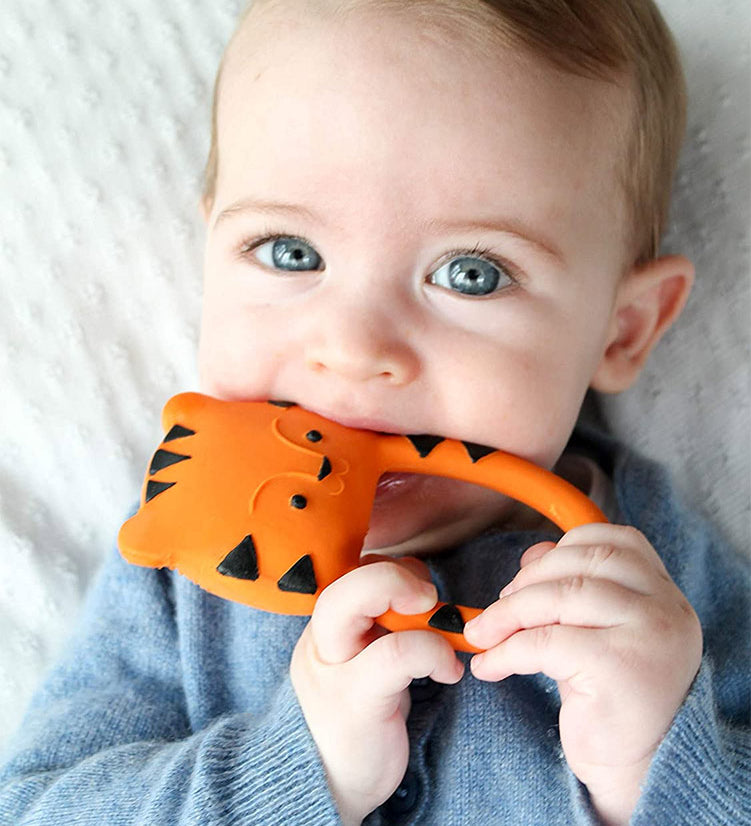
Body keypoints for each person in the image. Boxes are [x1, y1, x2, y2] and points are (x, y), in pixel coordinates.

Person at [1, 1, 749, 824]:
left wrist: (661, 768)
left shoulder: (654, 576)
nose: (355, 348)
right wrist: (297, 770)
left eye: (471, 274)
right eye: (291, 253)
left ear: (622, 327)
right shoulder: (183, 567)